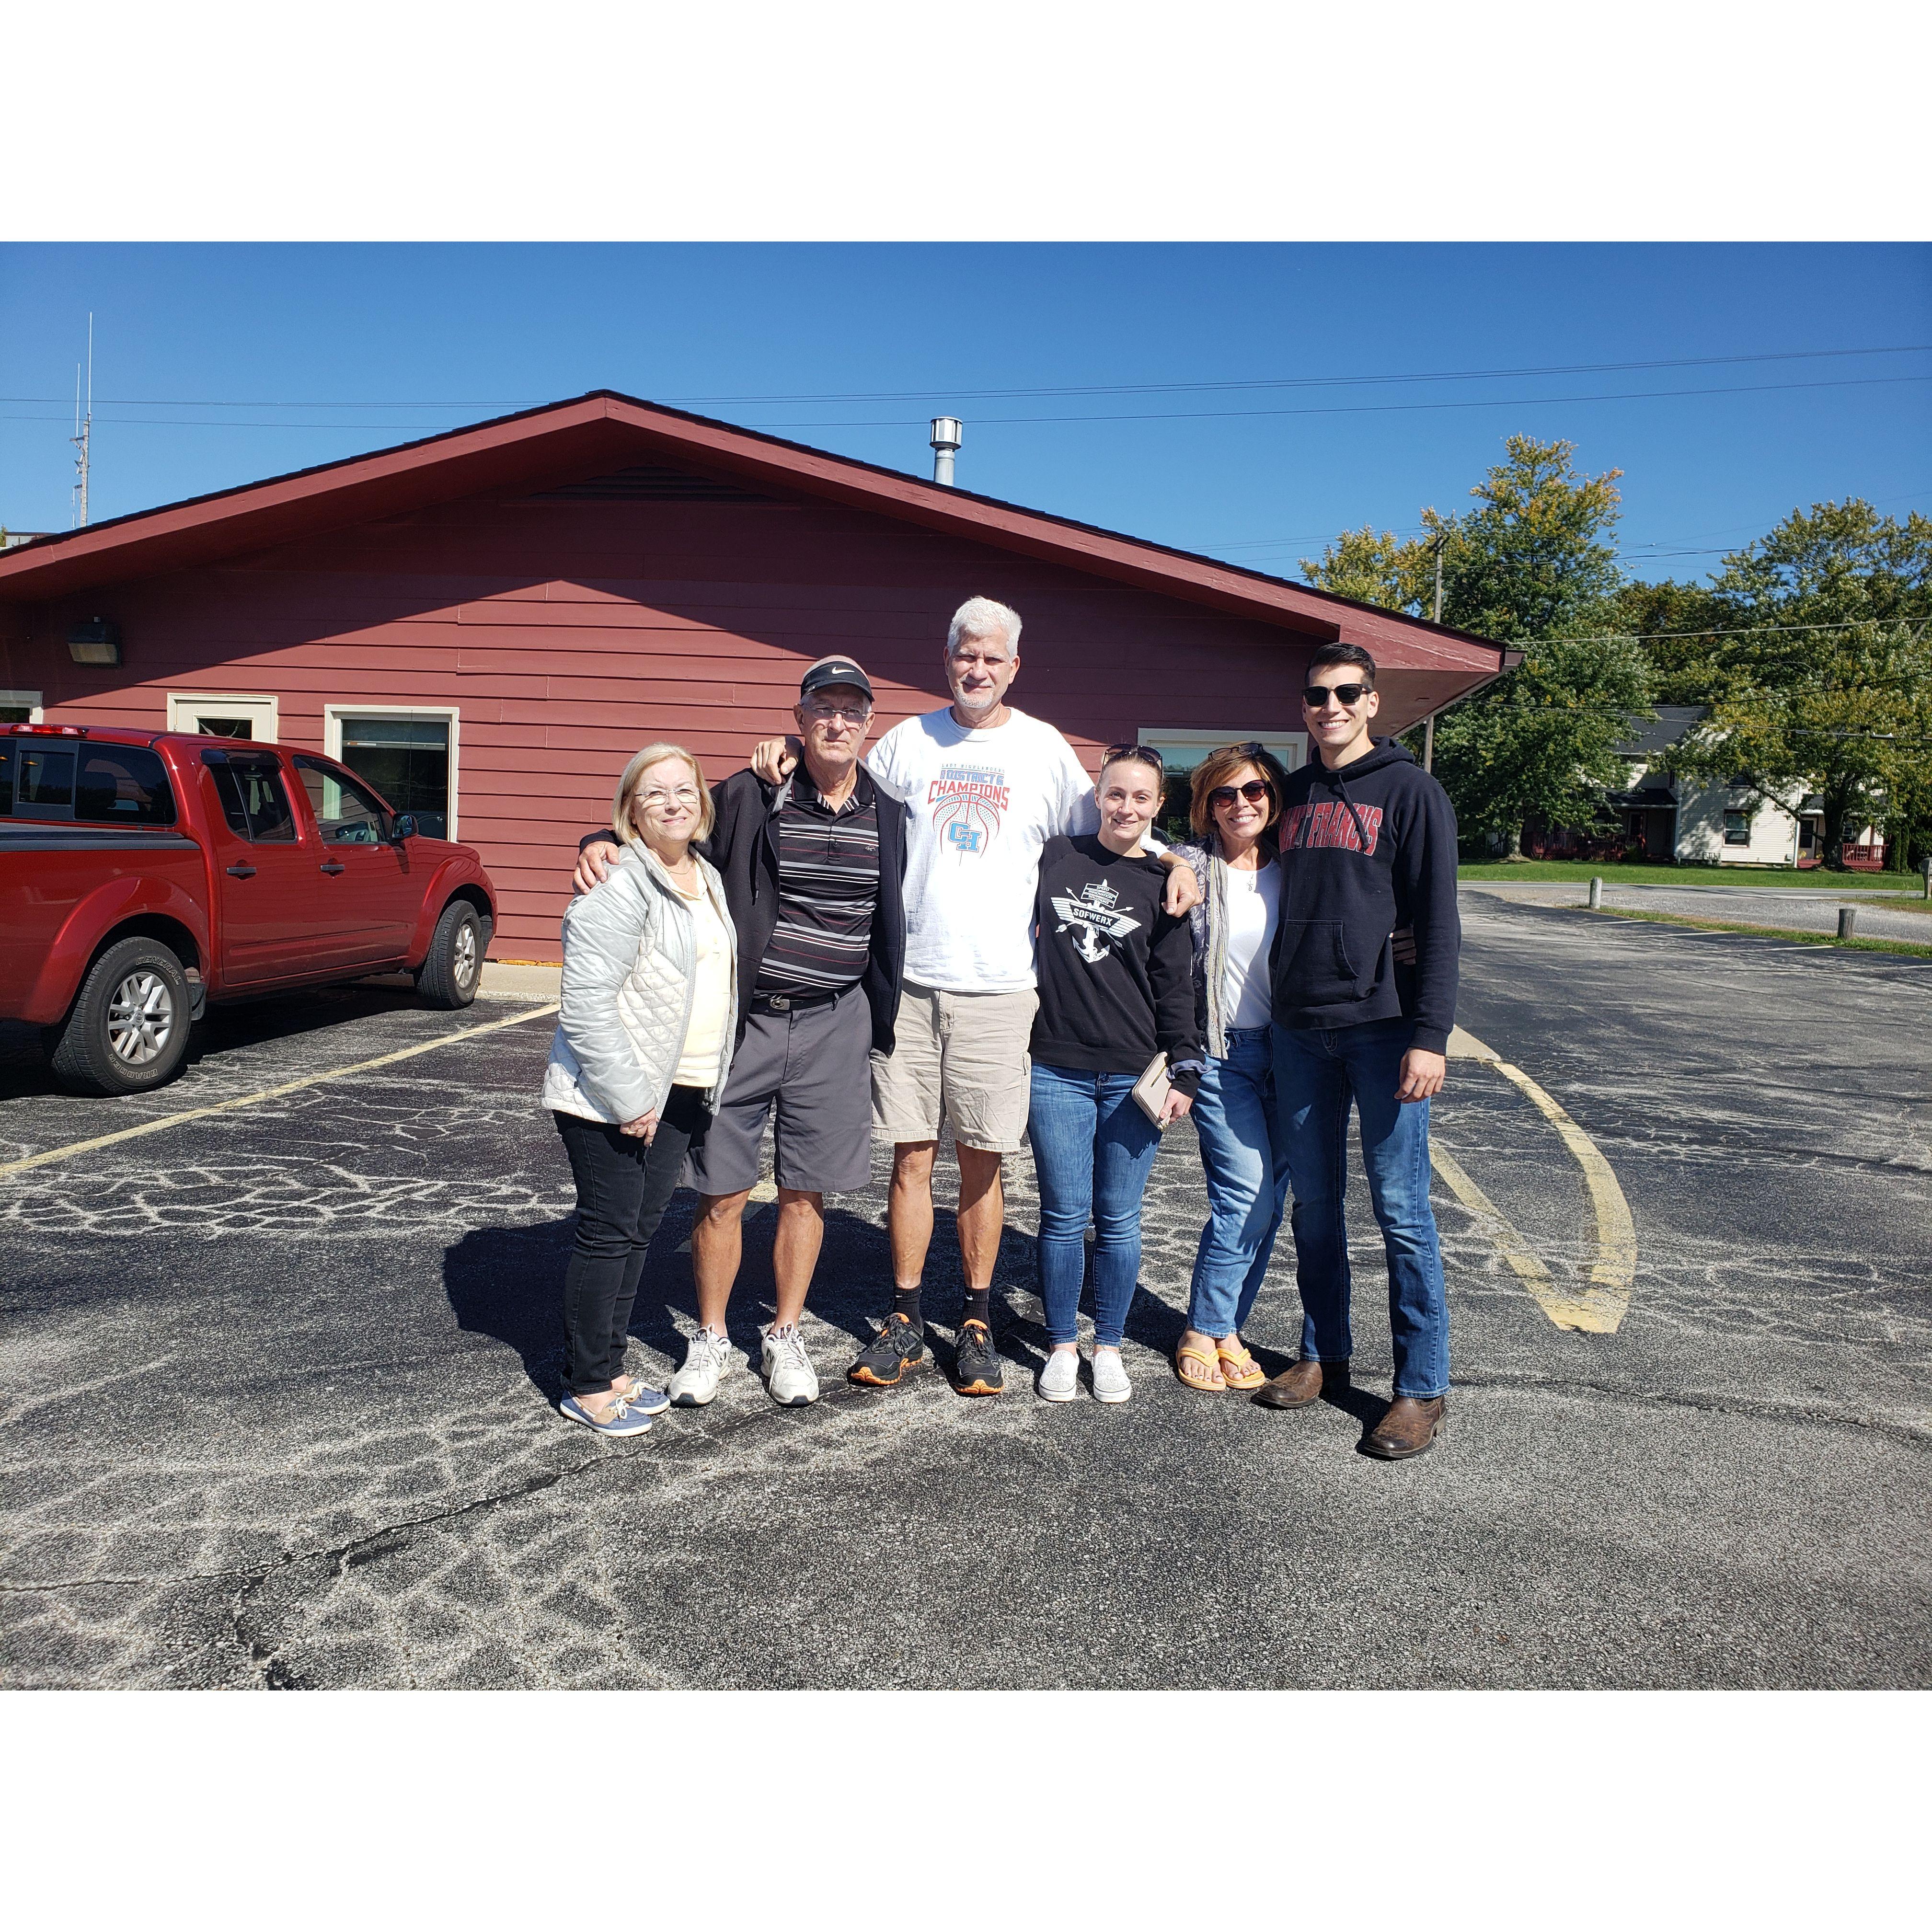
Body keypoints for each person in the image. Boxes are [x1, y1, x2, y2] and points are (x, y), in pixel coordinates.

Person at [748, 596, 1201, 1399]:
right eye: (966, 655)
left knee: (983, 1163)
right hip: (911, 984)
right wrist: (782, 753)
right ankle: (906, 1318)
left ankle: (979, 1319)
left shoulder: (1044, 751)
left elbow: (1110, 827)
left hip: (1002, 991)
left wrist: (1174, 860)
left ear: (1014, 666)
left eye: (993, 658)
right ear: (947, 659)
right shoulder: (907, 744)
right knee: (911, 1157)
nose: (978, 669)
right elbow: (838, 784)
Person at [573, 658, 907, 1408]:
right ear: (799, 716)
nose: (838, 722)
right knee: (721, 1190)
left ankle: (785, 1335)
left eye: (853, 710)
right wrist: (602, 837)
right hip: (747, 1021)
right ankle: (714, 1336)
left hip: (837, 1019)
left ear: (868, 724)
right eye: (824, 707)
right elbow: (669, 824)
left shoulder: (889, 813)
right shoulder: (752, 793)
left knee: (805, 1190)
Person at [1257, 643, 1460, 1460]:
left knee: (1402, 1212)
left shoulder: (1412, 791)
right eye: (1316, 695)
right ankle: (1323, 1354)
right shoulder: (1294, 794)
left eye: (1346, 694)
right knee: (1316, 1207)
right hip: (1301, 1029)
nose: (1330, 707)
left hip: (1383, 1031)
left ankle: (1420, 1388)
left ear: (1373, 702)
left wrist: (1430, 1036)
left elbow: (1438, 920)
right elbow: (1241, 865)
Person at [542, 743, 737, 1436]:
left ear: (702, 803)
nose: (674, 803)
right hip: (613, 1097)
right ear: (630, 811)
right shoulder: (620, 882)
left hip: (680, 1088)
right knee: (607, 1232)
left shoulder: (705, 877)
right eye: (654, 794)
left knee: (638, 1232)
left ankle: (614, 1366)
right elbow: (586, 1004)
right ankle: (588, 1383)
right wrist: (630, 1100)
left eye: (684, 790)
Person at [1029, 746, 1199, 1403]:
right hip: (1058, 1068)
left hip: (1135, 1075)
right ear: (1097, 797)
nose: (1126, 807)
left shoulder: (1165, 884)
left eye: (1141, 797)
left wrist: (1185, 1070)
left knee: (1121, 1219)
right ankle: (1062, 1345)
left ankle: (1110, 1346)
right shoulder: (1056, 857)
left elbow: (1174, 986)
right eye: (1115, 794)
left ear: (1158, 806)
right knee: (1064, 1217)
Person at [1167, 743, 1294, 1395]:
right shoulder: (1191, 862)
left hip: (1293, 1054)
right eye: (1226, 794)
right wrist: (1166, 858)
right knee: (1245, 1193)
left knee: (1271, 1205)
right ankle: (1202, 1327)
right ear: (1206, 806)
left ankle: (1227, 1330)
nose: (1242, 804)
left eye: (1255, 792)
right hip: (1223, 1053)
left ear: (1273, 800)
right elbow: (1134, 849)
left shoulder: (1296, 869)